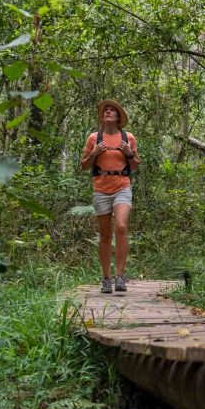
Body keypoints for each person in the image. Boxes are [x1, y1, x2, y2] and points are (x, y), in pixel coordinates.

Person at [80, 100, 139, 293]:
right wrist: (94, 153)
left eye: (112, 110)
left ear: (119, 117)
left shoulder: (128, 137)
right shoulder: (94, 138)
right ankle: (106, 278)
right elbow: (84, 165)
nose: (108, 112)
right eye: (106, 110)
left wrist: (129, 153)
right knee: (105, 235)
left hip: (122, 186)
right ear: (102, 116)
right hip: (101, 188)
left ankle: (120, 276)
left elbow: (135, 165)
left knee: (121, 227)